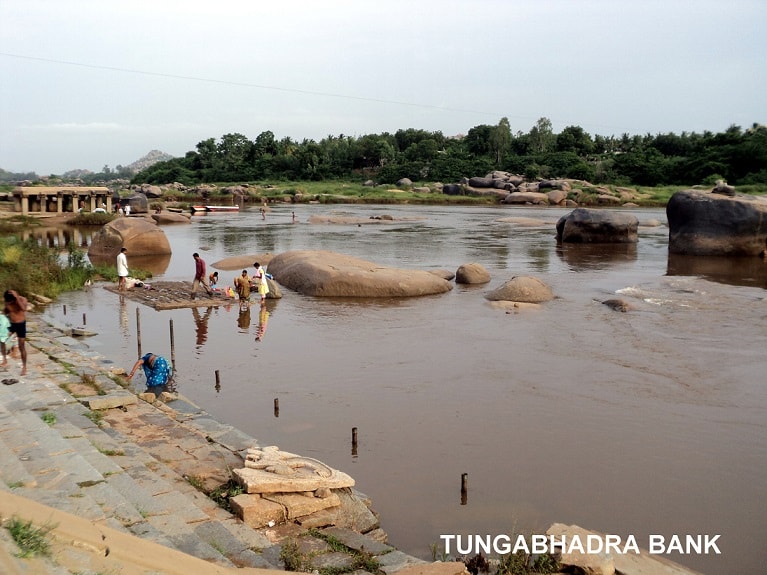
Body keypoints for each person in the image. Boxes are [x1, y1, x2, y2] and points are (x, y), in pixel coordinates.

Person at [3, 290, 28, 376]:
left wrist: (17, 298)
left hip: (21, 324)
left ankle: (24, 367)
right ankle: (4, 359)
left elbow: (23, 309)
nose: (10, 302)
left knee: (22, 346)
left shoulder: (22, 299)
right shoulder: (8, 301)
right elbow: (6, 311)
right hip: (11, 323)